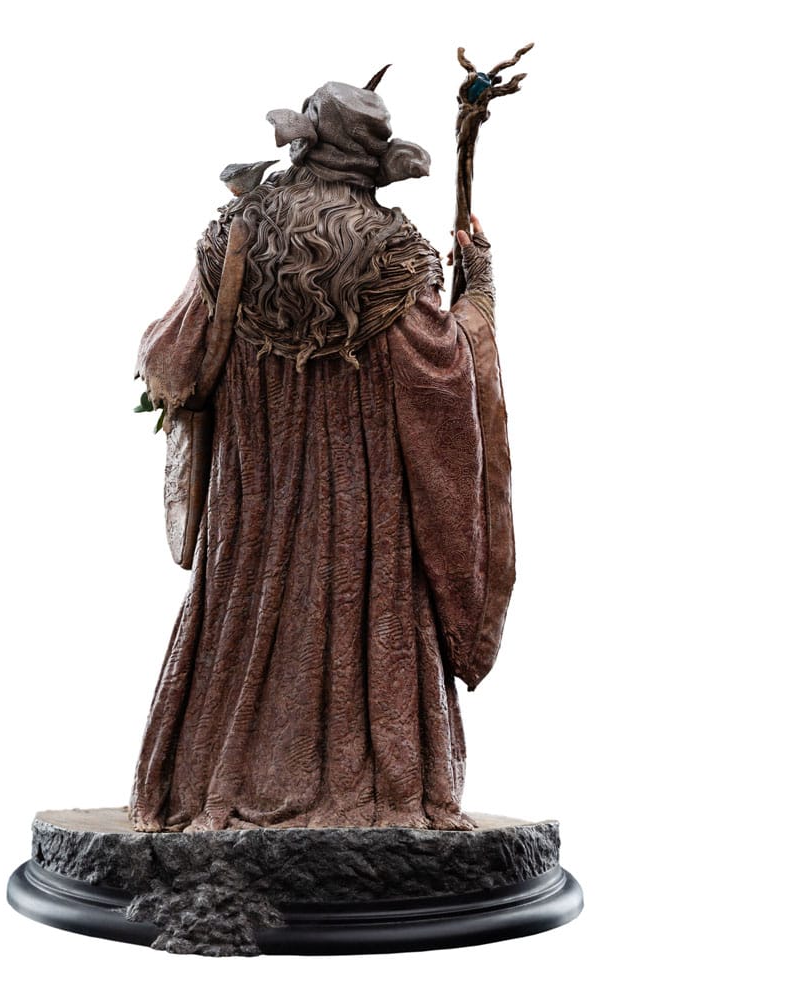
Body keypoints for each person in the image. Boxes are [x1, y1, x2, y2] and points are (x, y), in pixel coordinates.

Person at [130, 77, 514, 833]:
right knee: (364, 623)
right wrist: (478, 297)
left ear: (302, 147)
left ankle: (213, 783)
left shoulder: (234, 235)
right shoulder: (397, 256)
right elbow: (445, 381)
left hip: (253, 507)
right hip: (362, 519)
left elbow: (169, 359)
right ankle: (374, 790)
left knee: (245, 620)